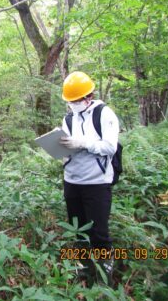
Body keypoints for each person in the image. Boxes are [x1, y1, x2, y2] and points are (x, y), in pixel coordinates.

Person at [59, 71, 119, 286]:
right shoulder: (68, 118)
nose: (73, 104)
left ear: (88, 96)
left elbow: (110, 146)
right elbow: (66, 145)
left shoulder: (104, 114)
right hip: (72, 181)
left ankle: (105, 278)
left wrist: (82, 143)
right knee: (78, 230)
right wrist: (62, 150)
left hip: (97, 183)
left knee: (99, 233)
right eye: (70, 101)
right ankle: (84, 272)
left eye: (76, 100)